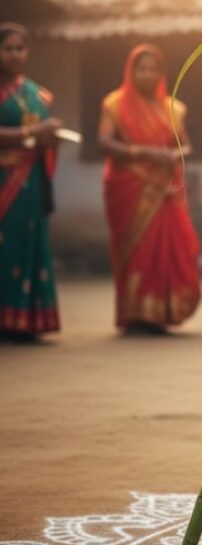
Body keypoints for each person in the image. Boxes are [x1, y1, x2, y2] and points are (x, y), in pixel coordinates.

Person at [98, 43, 201, 333]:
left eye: (153, 69)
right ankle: (135, 314)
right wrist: (144, 153)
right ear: (131, 71)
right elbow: (104, 143)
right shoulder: (114, 104)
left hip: (166, 189)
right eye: (142, 69)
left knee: (169, 249)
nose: (148, 74)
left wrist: (174, 155)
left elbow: (187, 144)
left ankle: (163, 312)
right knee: (137, 250)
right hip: (130, 187)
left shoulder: (173, 108)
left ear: (161, 73)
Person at [0, 23, 62, 340]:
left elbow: (41, 137)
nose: (14, 54)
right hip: (4, 181)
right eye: (7, 48)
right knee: (6, 247)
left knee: (31, 244)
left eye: (19, 48)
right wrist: (32, 133)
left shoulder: (36, 93)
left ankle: (28, 322)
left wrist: (51, 137)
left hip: (33, 182)